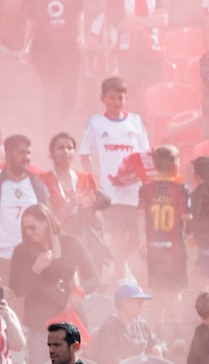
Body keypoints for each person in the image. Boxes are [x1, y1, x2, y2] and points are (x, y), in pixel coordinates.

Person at [80, 77, 150, 277]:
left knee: (137, 238)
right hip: (110, 193)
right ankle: (120, 279)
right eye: (112, 98)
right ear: (103, 98)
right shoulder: (96, 123)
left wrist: (140, 178)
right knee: (117, 239)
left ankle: (117, 263)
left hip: (134, 192)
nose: (117, 102)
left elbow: (146, 155)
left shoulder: (135, 122)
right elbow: (84, 154)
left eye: (121, 98)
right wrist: (95, 177)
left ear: (126, 98)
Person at [24, 0, 84, 135]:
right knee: (50, 90)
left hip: (69, 48)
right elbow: (31, 19)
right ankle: (51, 133)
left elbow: (80, 15)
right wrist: (26, 46)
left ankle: (59, 125)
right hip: (43, 49)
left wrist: (81, 36)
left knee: (70, 94)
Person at [10, 205, 99, 329]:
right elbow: (15, 289)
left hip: (69, 318)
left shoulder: (71, 243)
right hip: (39, 323)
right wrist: (35, 270)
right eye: (25, 229)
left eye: (32, 227)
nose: (28, 232)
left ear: (46, 222)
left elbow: (93, 277)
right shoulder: (21, 251)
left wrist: (80, 291)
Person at [104, 0, 167, 109]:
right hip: (128, 54)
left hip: (153, 52)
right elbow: (121, 24)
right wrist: (149, 20)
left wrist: (134, 20)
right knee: (131, 97)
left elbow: (163, 19)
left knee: (154, 94)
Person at [41, 133, 110, 261]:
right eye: (60, 148)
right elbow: (46, 220)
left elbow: (98, 221)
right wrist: (71, 204)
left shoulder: (87, 178)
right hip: (57, 244)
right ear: (52, 153)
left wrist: (88, 208)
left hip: (85, 243)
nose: (66, 151)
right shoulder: (43, 181)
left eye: (70, 148)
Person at [137, 146, 190, 299]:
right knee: (175, 292)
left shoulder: (146, 188)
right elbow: (186, 218)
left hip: (154, 247)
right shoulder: (181, 189)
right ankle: (176, 317)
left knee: (157, 291)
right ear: (175, 166)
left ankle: (158, 316)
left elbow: (140, 216)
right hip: (175, 248)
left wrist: (142, 242)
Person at [0, 135, 51, 282]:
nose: (27, 157)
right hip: (3, 258)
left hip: (32, 257)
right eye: (22, 152)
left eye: (28, 153)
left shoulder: (37, 185)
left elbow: (49, 219)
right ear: (8, 154)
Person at [91, 282, 165, 364]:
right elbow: (111, 361)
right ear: (124, 303)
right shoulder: (110, 328)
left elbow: (158, 342)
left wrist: (157, 348)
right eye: (139, 303)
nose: (143, 308)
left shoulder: (141, 325)